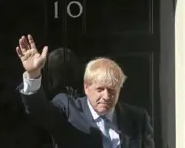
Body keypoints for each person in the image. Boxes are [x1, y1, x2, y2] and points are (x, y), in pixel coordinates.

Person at [16, 34, 155, 148]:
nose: (106, 96)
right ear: (86, 87)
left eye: (112, 90)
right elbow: (39, 112)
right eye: (100, 89)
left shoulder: (137, 118)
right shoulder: (68, 109)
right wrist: (33, 74)